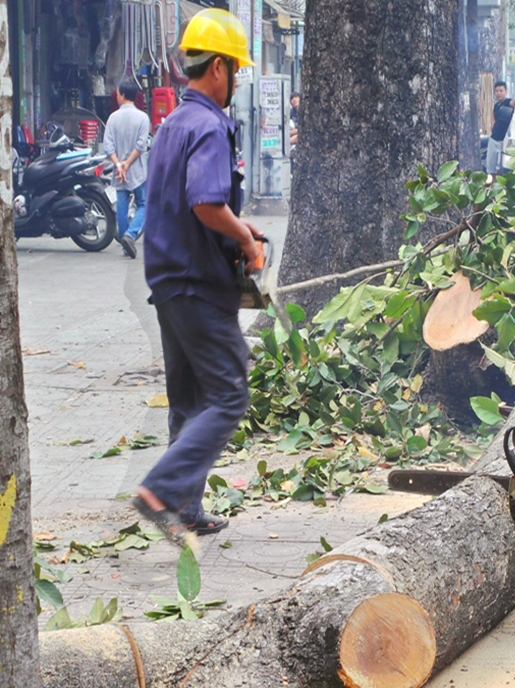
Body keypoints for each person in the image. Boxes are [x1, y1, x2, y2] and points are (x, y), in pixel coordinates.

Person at [133, 8, 264, 550]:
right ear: (218, 68)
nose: (237, 81)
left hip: (166, 281)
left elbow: (189, 203)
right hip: (196, 283)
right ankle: (161, 491)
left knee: (187, 399)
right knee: (231, 394)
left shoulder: (172, 125)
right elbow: (207, 203)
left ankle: (184, 506)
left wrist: (240, 228)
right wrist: (246, 240)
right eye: (236, 69)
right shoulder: (209, 123)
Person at [103, 80, 151, 259]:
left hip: (119, 171)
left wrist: (118, 164)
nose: (116, 96)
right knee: (144, 204)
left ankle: (126, 245)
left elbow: (108, 145)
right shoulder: (143, 118)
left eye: (117, 93)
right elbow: (141, 146)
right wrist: (127, 164)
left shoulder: (112, 118)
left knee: (122, 205)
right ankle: (130, 235)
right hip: (137, 169)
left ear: (123, 95)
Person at [486, 80, 515, 175]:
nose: (498, 93)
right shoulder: (496, 106)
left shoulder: (508, 103)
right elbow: (493, 118)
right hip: (494, 138)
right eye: (497, 91)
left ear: (506, 91)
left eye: (501, 91)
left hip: (503, 140)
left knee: (500, 167)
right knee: (491, 167)